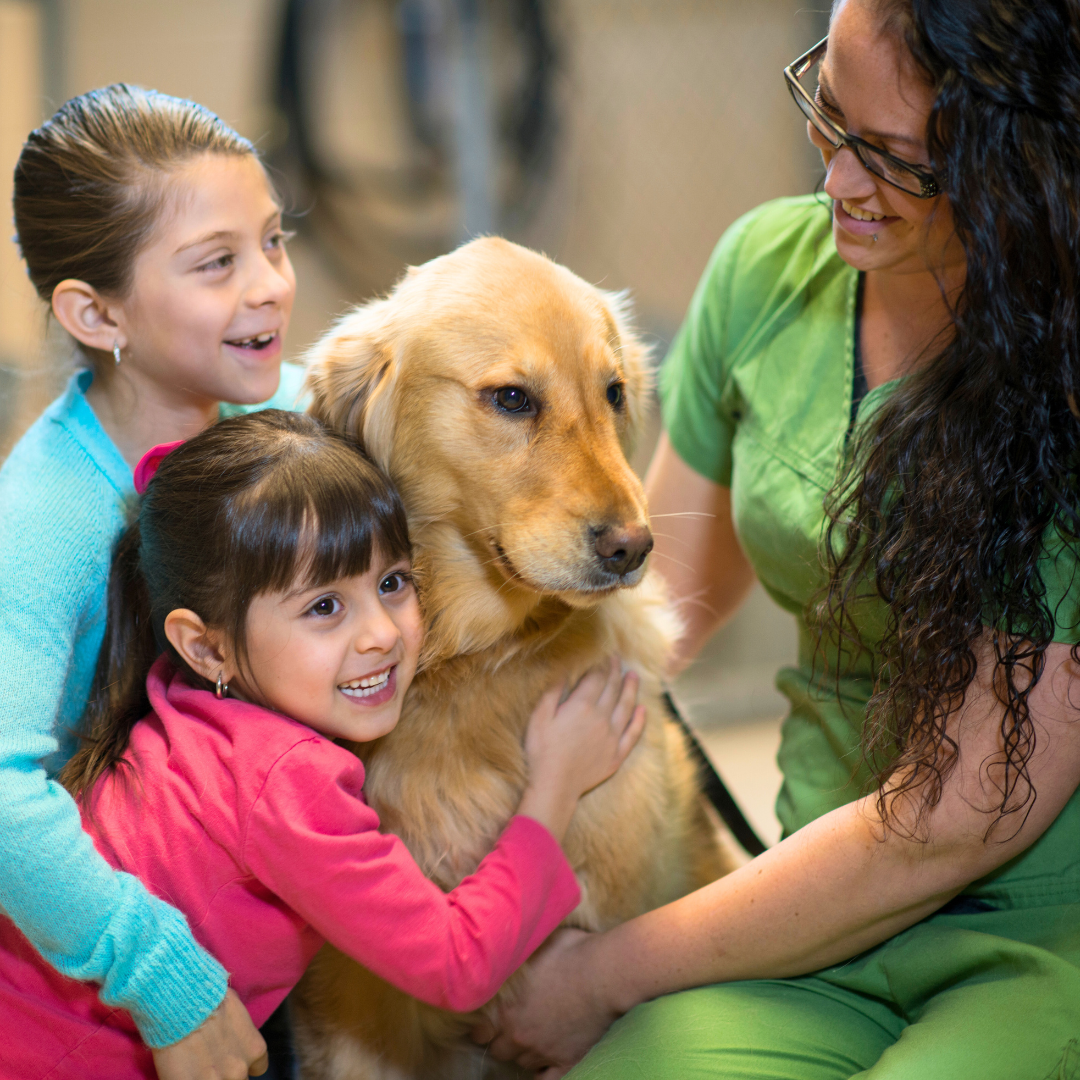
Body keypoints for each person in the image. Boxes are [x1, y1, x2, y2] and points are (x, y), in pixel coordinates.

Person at [474, 0, 1080, 1076]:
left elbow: (954, 820)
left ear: (1020, 172)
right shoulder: (769, 273)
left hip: (1033, 933)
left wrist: (604, 972)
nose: (837, 181)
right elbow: (654, 620)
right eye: (828, 113)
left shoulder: (1060, 380)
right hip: (811, 909)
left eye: (895, 159)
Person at [0, 410, 646, 1079]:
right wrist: (555, 790)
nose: (382, 635)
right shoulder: (287, 783)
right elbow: (458, 963)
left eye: (393, 583)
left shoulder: (185, 696)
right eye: (325, 608)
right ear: (206, 645)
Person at [0, 84, 305, 1077]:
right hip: (91, 978)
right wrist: (163, 982)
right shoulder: (46, 514)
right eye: (217, 263)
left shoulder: (295, 418)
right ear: (96, 313)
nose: (268, 285)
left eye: (274, 240)